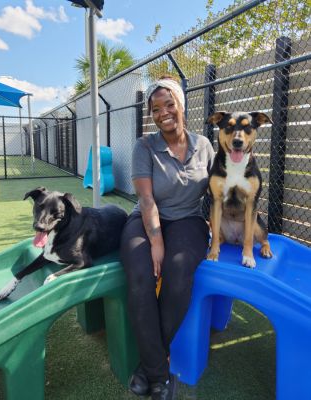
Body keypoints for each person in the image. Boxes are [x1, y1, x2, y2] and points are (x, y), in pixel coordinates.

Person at [120, 76, 215, 400]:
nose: (163, 113)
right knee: (140, 275)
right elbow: (146, 200)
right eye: (155, 108)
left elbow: (220, 189)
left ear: (181, 104)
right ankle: (160, 374)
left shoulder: (204, 145)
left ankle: (147, 368)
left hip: (189, 220)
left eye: (169, 104)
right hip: (145, 220)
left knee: (177, 272)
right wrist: (156, 242)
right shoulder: (144, 146)